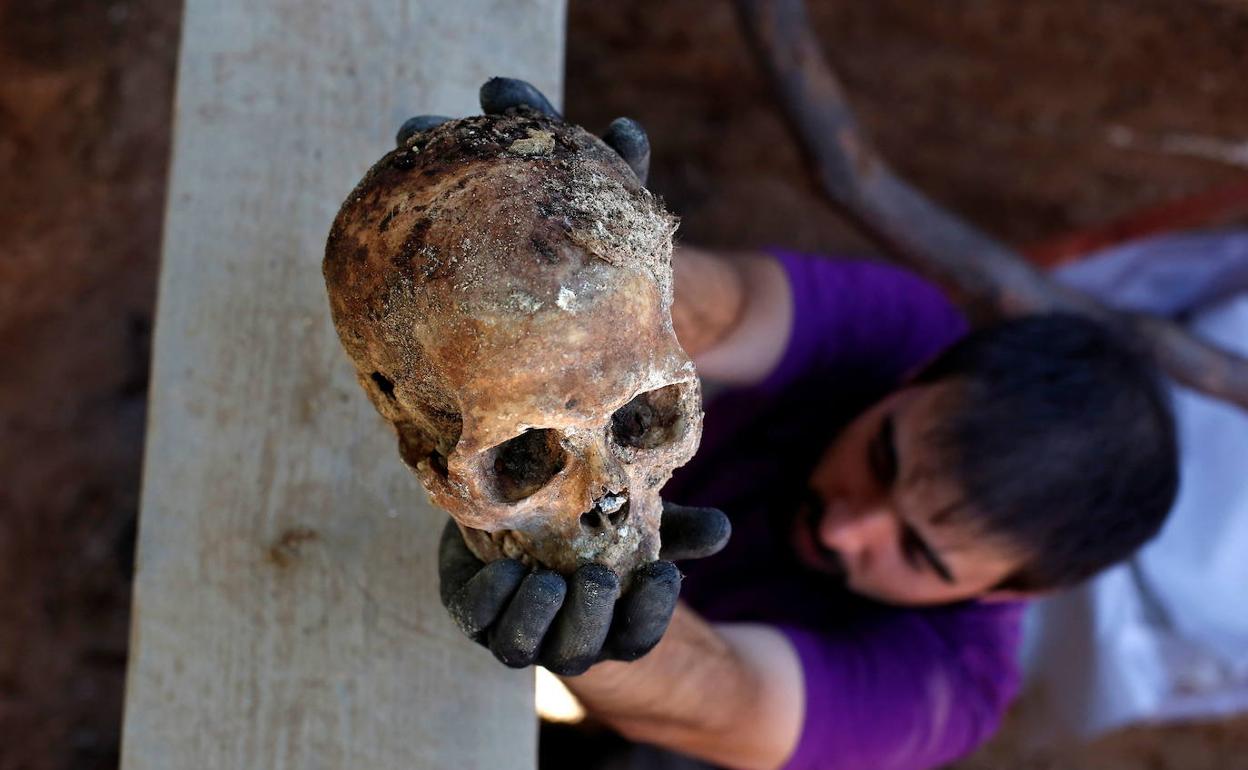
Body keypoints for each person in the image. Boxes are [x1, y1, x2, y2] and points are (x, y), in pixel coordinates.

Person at [426, 79, 1180, 770]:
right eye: (884, 459)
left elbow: (732, 700)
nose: (849, 528)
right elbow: (731, 307)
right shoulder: (909, 330)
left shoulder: (949, 690)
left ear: (1005, 593)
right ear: (918, 379)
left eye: (919, 552)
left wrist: (598, 611)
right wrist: (591, 258)